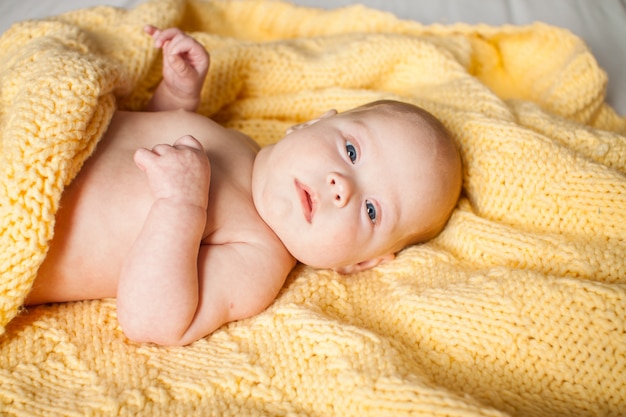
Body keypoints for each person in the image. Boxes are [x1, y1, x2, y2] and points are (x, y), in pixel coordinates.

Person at [25, 26, 463, 346]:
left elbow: (153, 322)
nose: (340, 187)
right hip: (32, 134)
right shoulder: (239, 142)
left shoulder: (258, 259)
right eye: (350, 152)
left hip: (22, 219)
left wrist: (181, 204)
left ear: (361, 263)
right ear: (313, 123)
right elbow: (147, 138)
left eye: (371, 211)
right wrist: (177, 96)